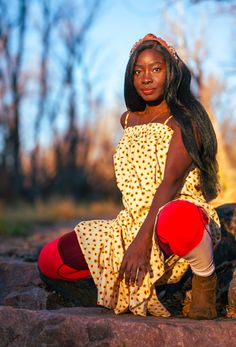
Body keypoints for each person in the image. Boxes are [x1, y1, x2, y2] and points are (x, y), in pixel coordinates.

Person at [38, 33, 221, 319]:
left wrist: (140, 243)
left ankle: (204, 278)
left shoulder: (185, 122)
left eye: (155, 69)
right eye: (138, 71)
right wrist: (132, 238)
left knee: (177, 219)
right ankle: (116, 288)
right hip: (132, 223)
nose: (146, 78)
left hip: (173, 219)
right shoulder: (128, 119)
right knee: (51, 259)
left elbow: (169, 185)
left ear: (171, 73)